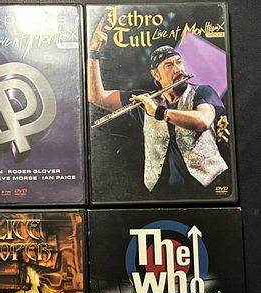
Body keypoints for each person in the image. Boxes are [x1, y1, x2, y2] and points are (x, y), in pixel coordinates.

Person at [88, 19, 229, 197]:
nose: (178, 69)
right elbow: (97, 97)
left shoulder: (202, 92)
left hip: (206, 189)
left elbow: (203, 121)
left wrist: (158, 112)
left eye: (179, 62)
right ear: (156, 74)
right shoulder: (145, 100)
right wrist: (93, 53)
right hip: (162, 193)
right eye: (169, 65)